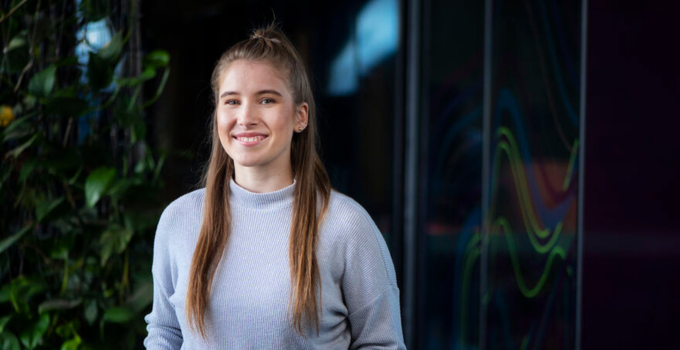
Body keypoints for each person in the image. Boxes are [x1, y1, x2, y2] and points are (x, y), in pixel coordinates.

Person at [144, 23, 405, 349]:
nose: (246, 117)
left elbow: (382, 344)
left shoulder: (346, 226)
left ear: (300, 117)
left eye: (266, 100)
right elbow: (165, 335)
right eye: (232, 101)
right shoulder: (179, 220)